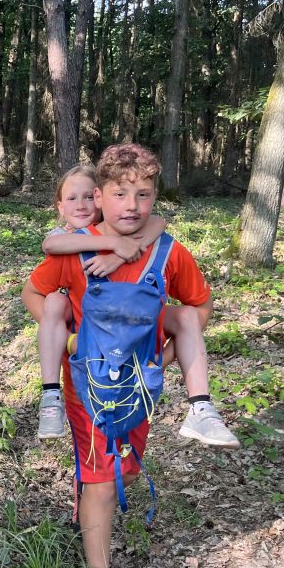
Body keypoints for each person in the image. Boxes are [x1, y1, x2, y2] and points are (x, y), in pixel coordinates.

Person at [21, 143, 226, 568]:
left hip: (139, 390)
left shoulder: (169, 252)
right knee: (101, 482)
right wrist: (69, 340)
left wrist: (163, 357)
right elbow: (35, 292)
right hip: (87, 388)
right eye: (120, 194)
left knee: (123, 474)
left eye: (144, 195)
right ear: (100, 197)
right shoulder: (77, 247)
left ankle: (89, 501)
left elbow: (197, 307)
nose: (132, 206)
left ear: (155, 197)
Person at [34, 165, 238, 450]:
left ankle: (200, 406)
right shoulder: (68, 239)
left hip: (136, 347)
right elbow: (50, 246)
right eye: (71, 198)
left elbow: (159, 222)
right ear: (60, 205)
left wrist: (119, 254)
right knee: (55, 300)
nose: (81, 205)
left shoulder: (139, 231)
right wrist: (70, 341)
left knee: (186, 315)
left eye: (88, 197)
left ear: (99, 198)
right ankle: (50, 395)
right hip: (90, 348)